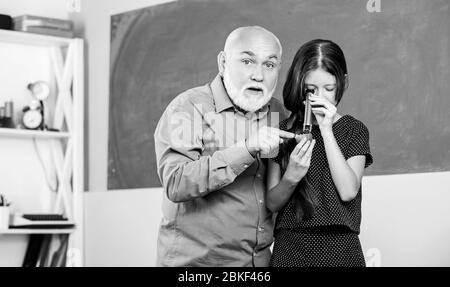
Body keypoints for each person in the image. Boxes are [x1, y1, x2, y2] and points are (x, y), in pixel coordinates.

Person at [154, 26, 295, 267]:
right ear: (223, 62)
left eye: (269, 65)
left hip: (258, 264)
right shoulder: (188, 108)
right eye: (247, 61)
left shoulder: (276, 112)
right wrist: (247, 148)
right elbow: (176, 183)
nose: (258, 75)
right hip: (198, 266)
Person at [266, 39, 373, 267]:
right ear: (299, 85)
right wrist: (291, 176)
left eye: (329, 89)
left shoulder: (354, 130)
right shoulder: (283, 131)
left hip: (341, 248)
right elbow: (272, 202)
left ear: (343, 83)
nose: (320, 98)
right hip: (290, 248)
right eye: (311, 90)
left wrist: (326, 131)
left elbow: (347, 191)